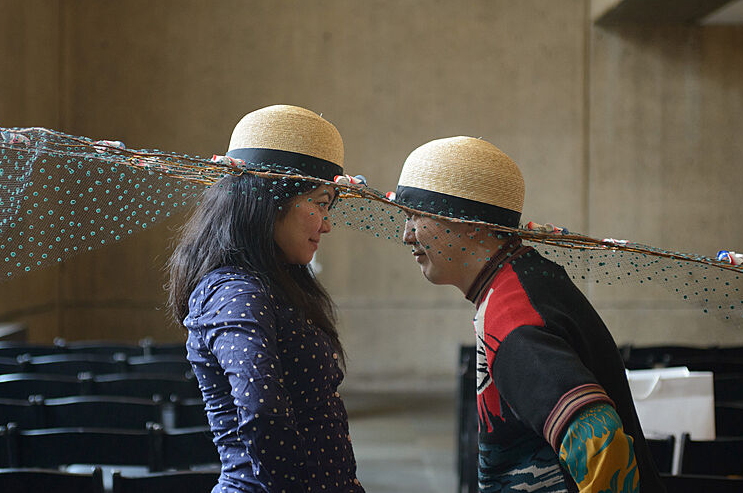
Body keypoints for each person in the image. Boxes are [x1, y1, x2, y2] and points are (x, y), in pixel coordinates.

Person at [394, 136, 665, 492]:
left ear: (472, 222)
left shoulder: (511, 320)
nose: (406, 235)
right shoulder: (523, 275)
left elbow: (603, 449)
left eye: (416, 216)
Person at [167, 105, 365, 493]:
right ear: (270, 201)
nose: (327, 224)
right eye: (321, 203)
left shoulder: (272, 282)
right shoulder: (236, 292)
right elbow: (263, 413)